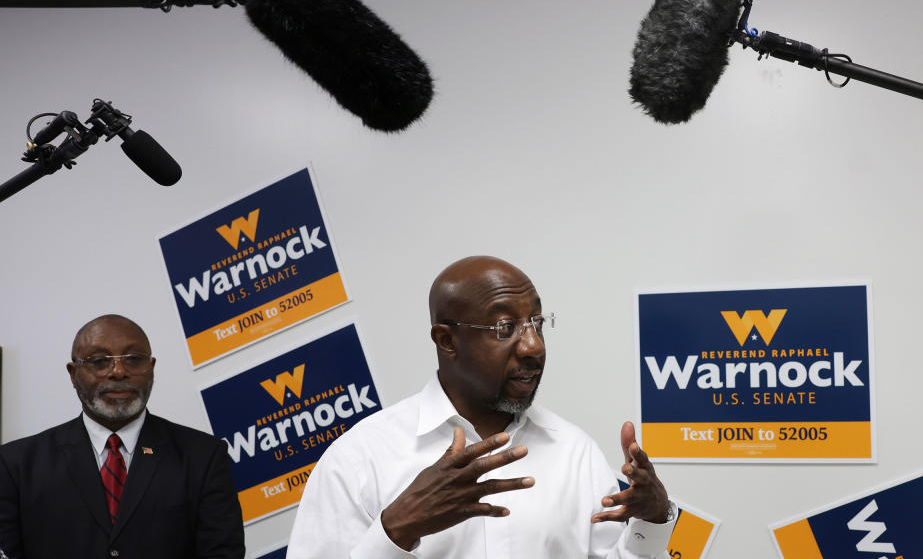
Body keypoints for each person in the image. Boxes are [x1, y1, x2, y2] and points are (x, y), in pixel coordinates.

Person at [287, 256, 677, 558]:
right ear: (446, 340)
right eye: (505, 328)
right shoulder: (360, 459)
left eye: (537, 323)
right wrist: (396, 530)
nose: (533, 346)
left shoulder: (575, 452)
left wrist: (654, 520)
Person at [0, 314, 245, 559]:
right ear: (73, 374)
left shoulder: (203, 456)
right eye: (99, 361)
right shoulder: (16, 465)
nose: (118, 372)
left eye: (134, 359)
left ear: (151, 368)